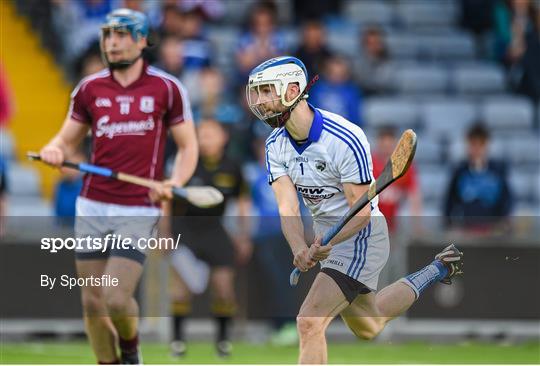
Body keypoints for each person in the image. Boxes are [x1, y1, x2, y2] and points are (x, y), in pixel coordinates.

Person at [245, 56, 463, 364]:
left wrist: (327, 245)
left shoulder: (344, 138)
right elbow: (287, 206)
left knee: (309, 322)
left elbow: (359, 212)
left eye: (267, 91)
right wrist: (298, 247)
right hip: (327, 238)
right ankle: (437, 269)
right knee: (370, 325)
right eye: (257, 93)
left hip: (362, 235)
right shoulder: (274, 145)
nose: (260, 101)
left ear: (292, 89)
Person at [38, 9, 198, 364]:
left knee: (114, 296)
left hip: (139, 207)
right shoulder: (89, 89)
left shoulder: (167, 89)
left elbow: (188, 147)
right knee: (93, 302)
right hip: (93, 204)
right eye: (108, 35)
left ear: (142, 40)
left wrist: (175, 181)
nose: (112, 42)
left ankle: (131, 349)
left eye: (122, 34)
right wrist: (54, 149)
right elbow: (65, 140)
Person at [167, 119, 252, 358]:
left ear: (223, 137)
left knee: (224, 289)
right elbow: (167, 200)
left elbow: (243, 203)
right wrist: (165, 234)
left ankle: (223, 341)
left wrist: (243, 236)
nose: (205, 139)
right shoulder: (185, 164)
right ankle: (177, 342)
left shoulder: (233, 167)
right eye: (201, 135)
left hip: (216, 230)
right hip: (185, 231)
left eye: (210, 134)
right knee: (181, 291)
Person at [444, 123, 512, 229]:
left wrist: (503, 222)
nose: (476, 149)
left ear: (486, 145)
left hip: (492, 231)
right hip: (467, 230)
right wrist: (450, 225)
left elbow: (507, 200)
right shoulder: (460, 172)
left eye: (480, 145)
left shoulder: (498, 171)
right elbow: (449, 203)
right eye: (473, 144)